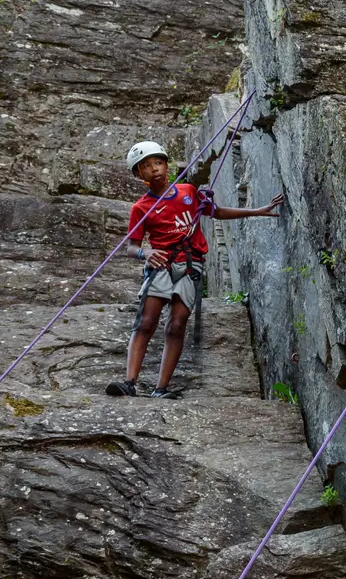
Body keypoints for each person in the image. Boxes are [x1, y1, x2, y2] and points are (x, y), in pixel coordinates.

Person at [109, 140, 283, 399]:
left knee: (177, 324)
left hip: (191, 264)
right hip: (162, 264)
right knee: (146, 321)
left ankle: (161, 388)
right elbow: (131, 248)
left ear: (166, 165)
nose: (154, 169)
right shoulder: (141, 208)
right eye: (146, 166)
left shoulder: (188, 191)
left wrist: (256, 211)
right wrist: (146, 252)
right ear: (139, 175)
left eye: (158, 163)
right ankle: (129, 382)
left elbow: (216, 211)